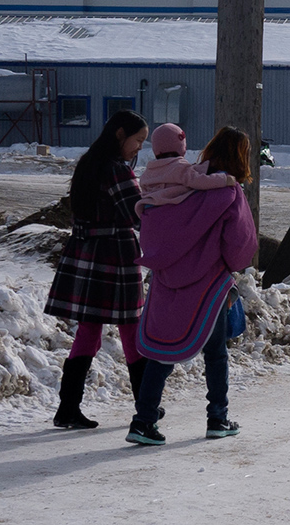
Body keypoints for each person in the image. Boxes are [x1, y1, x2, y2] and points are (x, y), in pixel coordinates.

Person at [127, 127, 258, 446]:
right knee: (215, 353)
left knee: (162, 351)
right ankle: (217, 417)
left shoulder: (174, 186)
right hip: (208, 285)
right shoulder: (227, 192)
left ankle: (143, 421)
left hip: (167, 279)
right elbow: (239, 247)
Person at [45, 109, 150, 429]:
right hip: (114, 258)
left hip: (85, 255)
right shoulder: (118, 170)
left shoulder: (88, 164)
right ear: (120, 134)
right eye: (138, 140)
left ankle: (67, 409)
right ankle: (147, 406)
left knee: (88, 331)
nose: (139, 148)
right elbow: (138, 214)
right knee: (132, 331)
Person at [134, 123, 237, 216]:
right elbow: (199, 181)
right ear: (181, 146)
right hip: (173, 213)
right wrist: (224, 179)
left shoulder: (149, 170)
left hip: (151, 214)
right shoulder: (179, 166)